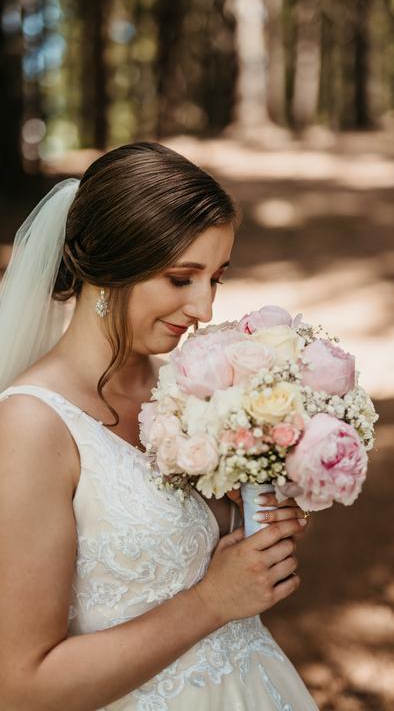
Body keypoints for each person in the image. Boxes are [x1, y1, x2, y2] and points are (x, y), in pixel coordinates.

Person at [0, 142, 318, 710]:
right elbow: (20, 687)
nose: (204, 309)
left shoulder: (192, 387)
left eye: (216, 278)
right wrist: (211, 602)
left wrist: (260, 520)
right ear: (108, 267)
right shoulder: (33, 427)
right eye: (180, 279)